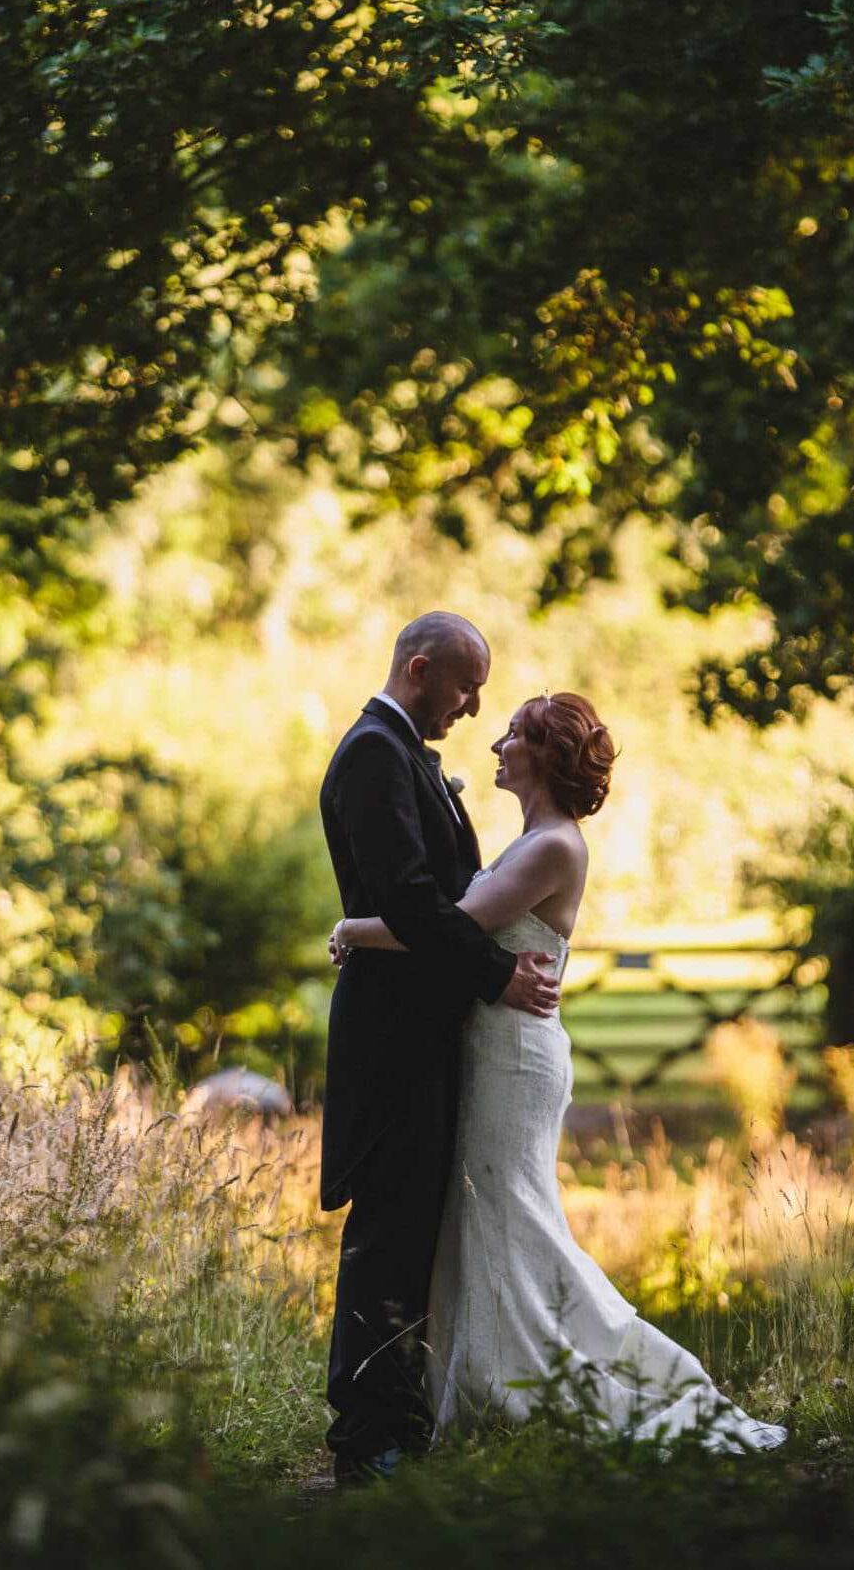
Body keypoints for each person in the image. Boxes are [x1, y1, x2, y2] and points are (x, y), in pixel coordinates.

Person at [330, 691, 788, 1455]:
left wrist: (354, 930)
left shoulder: (552, 847)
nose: (495, 744)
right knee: (485, 1219)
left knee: (514, 1215)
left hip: (514, 1057)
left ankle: (579, 1381)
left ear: (544, 753)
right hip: (490, 1048)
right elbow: (453, 919)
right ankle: (486, 1385)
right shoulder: (531, 839)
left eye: (511, 733)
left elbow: (455, 928)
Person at [317, 613, 562, 1486]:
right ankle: (366, 1440)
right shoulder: (374, 755)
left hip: (420, 1033)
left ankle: (400, 1421)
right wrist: (496, 975)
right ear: (420, 669)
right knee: (385, 1236)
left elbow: (438, 898)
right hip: (391, 1039)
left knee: (411, 1231)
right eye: (465, 687)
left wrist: (361, 928)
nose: (473, 707)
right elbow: (418, 904)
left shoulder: (398, 751)